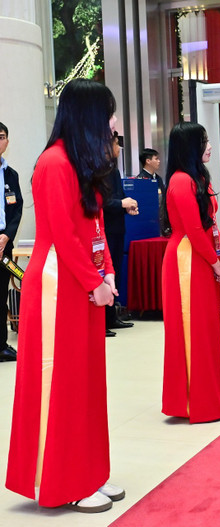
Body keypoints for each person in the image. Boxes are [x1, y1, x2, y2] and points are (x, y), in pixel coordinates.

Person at [5, 78, 125, 513]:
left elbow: (93, 231)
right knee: (63, 383)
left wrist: (107, 273)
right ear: (88, 116)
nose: (113, 122)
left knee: (88, 383)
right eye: (109, 113)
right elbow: (61, 235)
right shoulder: (53, 164)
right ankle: (63, 479)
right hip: (60, 285)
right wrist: (94, 282)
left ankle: (89, 470)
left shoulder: (80, 164)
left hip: (84, 283)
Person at [160, 121, 220, 424]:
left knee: (206, 332)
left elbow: (210, 225)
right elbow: (193, 229)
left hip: (200, 259)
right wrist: (217, 263)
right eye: (204, 140)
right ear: (190, 146)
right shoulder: (181, 181)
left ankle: (209, 395)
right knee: (194, 332)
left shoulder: (196, 178)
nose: (210, 146)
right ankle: (197, 401)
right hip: (186, 263)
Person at [103, 133, 138, 337]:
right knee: (104, 275)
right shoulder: (96, 172)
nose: (119, 148)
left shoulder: (113, 170)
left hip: (117, 228)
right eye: (117, 144)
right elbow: (101, 203)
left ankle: (112, 317)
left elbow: (120, 196)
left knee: (115, 272)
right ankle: (102, 320)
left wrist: (128, 205)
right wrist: (120, 204)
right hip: (104, 231)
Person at [0, 122, 23, 361]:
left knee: (2, 295)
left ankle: (1, 345)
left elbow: (16, 211)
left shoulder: (11, 174)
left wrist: (7, 235)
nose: (0, 141)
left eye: (2, 136)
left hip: (4, 244)